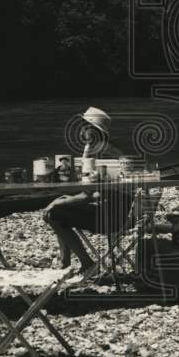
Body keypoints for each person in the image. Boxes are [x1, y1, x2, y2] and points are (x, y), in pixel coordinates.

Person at [43, 106, 134, 274]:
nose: (81, 129)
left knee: (54, 213)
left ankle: (86, 264)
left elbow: (88, 195)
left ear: (94, 131)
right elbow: (100, 192)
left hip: (111, 218)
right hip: (121, 212)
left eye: (85, 126)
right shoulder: (107, 148)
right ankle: (65, 263)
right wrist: (64, 200)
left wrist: (58, 201)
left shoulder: (98, 152)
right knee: (59, 208)